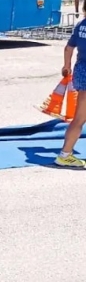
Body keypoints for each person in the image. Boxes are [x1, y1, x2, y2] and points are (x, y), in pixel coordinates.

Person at [55, 11, 86, 169]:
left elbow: (69, 48)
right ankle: (65, 155)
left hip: (81, 70)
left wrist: (66, 66)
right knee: (80, 119)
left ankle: (65, 154)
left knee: (80, 117)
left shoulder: (82, 24)